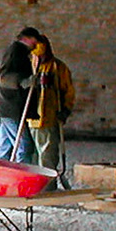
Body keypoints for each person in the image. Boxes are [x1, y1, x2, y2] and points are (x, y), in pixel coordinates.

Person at [26, 33, 76, 179]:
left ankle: (47, 185)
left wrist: (65, 110)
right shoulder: (29, 66)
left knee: (47, 156)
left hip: (48, 118)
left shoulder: (57, 67)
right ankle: (33, 184)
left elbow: (68, 91)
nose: (39, 58)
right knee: (31, 156)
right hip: (30, 119)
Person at [0, 26, 41, 162]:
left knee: (6, 146)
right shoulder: (16, 52)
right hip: (10, 106)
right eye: (34, 41)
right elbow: (3, 78)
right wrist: (25, 81)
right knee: (24, 146)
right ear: (26, 38)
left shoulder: (17, 52)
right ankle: (22, 171)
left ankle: (0, 170)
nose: (36, 45)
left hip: (6, 106)